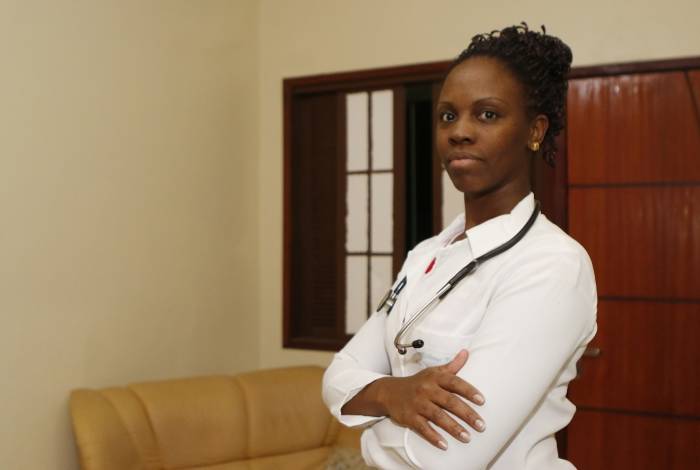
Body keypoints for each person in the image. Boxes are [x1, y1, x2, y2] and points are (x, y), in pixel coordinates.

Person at [322, 23, 597, 470]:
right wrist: (393, 393)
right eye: (448, 116)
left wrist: (371, 429)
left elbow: (449, 457)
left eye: (487, 114)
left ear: (535, 131)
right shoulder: (426, 255)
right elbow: (337, 377)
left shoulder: (552, 264)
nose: (459, 132)